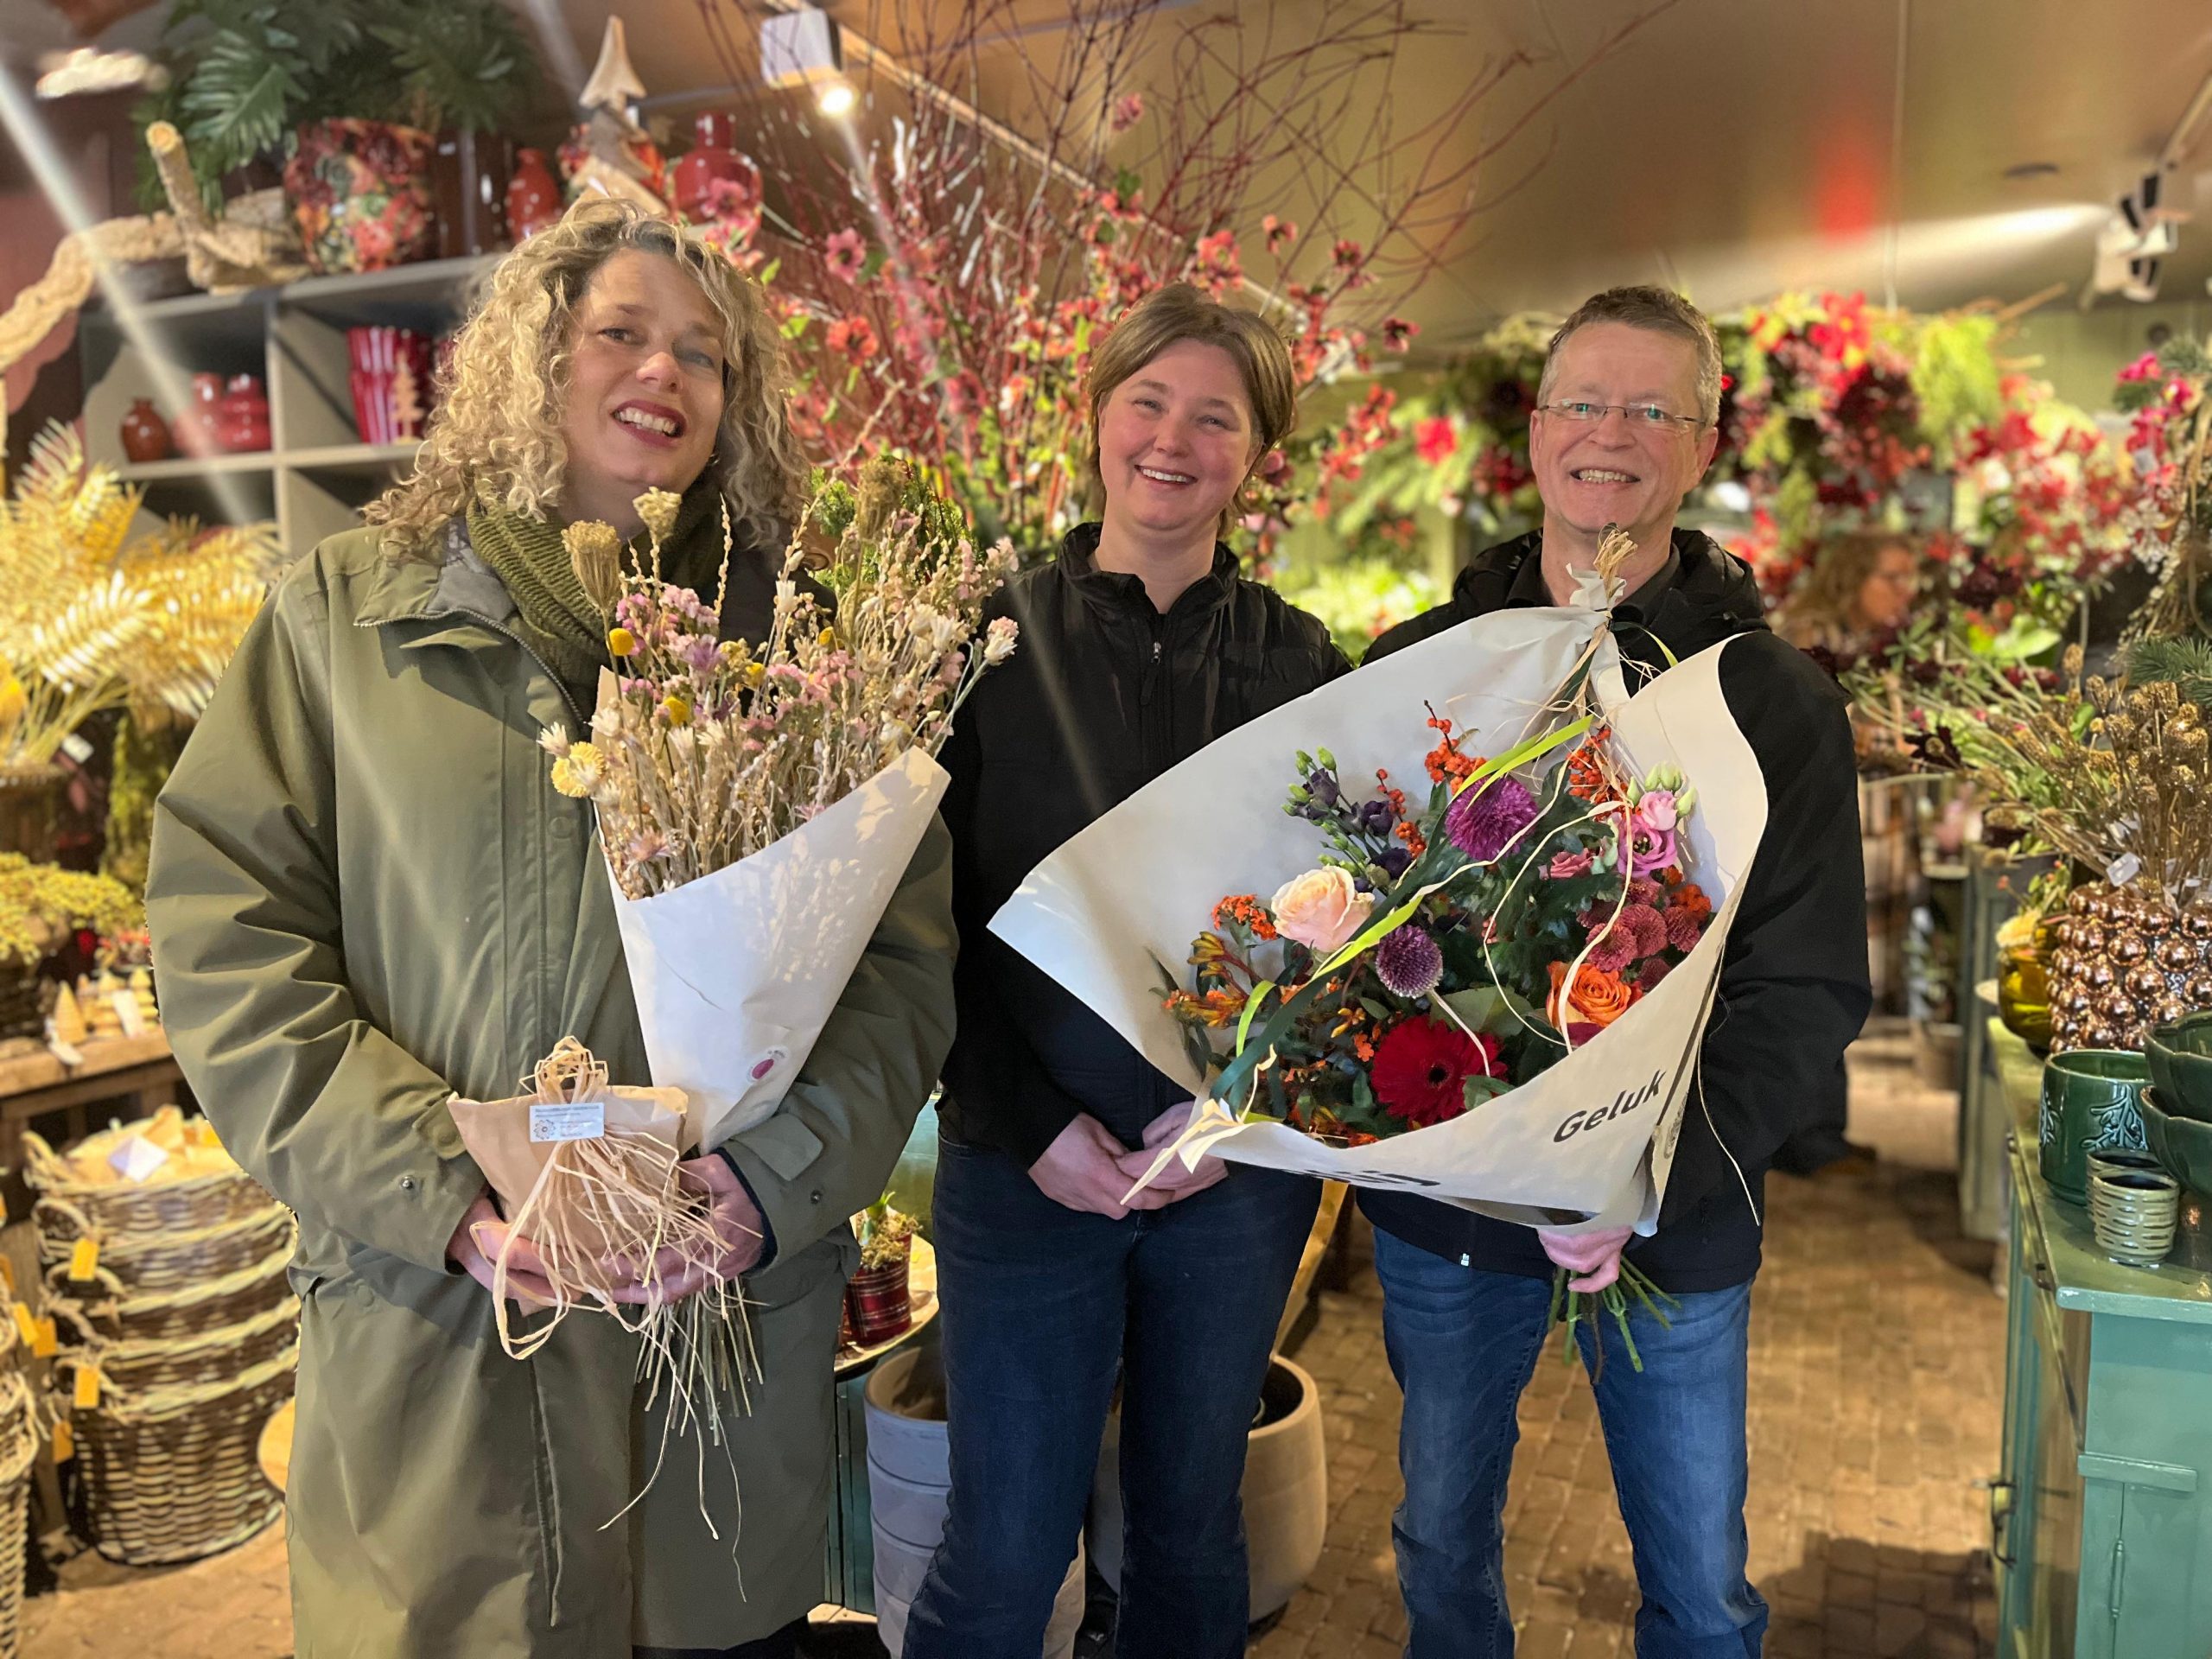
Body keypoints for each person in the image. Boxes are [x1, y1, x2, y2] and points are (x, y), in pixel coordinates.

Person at [144, 200, 956, 1659]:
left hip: (712, 1341)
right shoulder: (348, 617)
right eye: (624, 331)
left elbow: (900, 966)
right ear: (532, 356)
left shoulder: (810, 646)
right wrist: (428, 1190)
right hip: (446, 1348)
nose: (667, 371)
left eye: (708, 353)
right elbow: (232, 943)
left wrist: (773, 1185)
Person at [1359, 285, 1872, 1658]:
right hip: (1449, 1213)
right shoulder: (1424, 671)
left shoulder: (1772, 701)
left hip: (1671, 1218)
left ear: (1702, 446)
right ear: (1534, 431)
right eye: (1585, 401)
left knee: (1699, 1591)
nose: (1613, 434)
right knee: (1438, 1551)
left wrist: (1655, 1174)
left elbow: (1808, 984)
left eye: (1654, 409)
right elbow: (1357, 943)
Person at [903, 283, 1344, 1659]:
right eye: (1148, 401)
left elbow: (1346, 945)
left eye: (1216, 416)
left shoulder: (1305, 666)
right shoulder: (978, 647)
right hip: (1022, 1172)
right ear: (1095, 418)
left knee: (1187, 1536)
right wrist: (1031, 1128)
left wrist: (1243, 1115)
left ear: (1256, 454)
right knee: (1006, 1542)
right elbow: (917, 930)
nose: (1174, 439)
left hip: (1230, 1183)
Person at [1777, 528, 1922, 658]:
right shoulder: (1810, 637)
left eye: (1908, 579)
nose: (1905, 591)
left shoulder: (1883, 639)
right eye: (1892, 578)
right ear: (1854, 578)